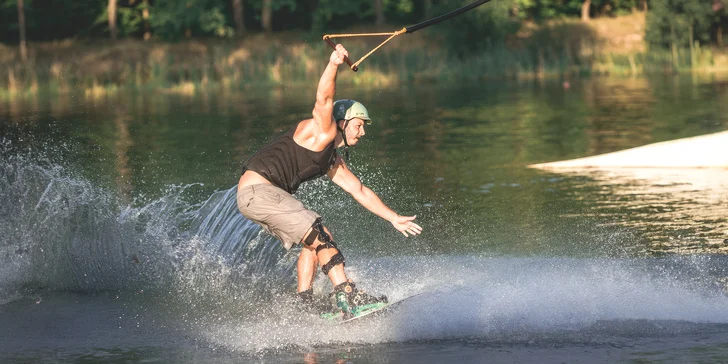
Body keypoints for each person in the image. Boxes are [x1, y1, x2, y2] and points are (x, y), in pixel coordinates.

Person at [236, 44, 422, 315]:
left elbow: (359, 190)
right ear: (342, 123)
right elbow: (324, 98)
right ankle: (347, 294)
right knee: (319, 232)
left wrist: (392, 217)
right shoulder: (323, 130)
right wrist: (334, 64)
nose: (362, 132)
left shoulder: (331, 158)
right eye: (359, 125)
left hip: (260, 196)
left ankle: (303, 304)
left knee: (315, 239)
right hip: (259, 191)